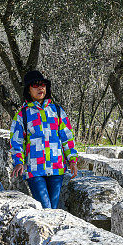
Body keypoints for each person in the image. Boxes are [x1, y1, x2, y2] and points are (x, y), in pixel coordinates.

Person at [10, 70, 78, 208]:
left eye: (43, 85)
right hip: (34, 169)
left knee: (52, 209)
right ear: (28, 90)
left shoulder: (57, 111)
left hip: (56, 168)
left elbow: (67, 137)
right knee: (45, 208)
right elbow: (17, 141)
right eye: (35, 85)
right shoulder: (22, 114)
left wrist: (72, 160)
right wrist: (18, 161)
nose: (40, 88)